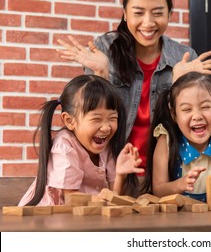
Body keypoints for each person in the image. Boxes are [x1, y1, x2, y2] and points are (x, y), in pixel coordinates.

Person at [56, 0, 211, 192]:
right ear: (125, 14)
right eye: (138, 13)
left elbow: (187, 124)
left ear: (169, 14)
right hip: (115, 174)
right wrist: (101, 72)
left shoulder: (184, 58)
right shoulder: (105, 50)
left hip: (164, 178)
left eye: (157, 13)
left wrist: (179, 82)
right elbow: (96, 116)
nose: (148, 23)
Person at [19, 75, 144, 206]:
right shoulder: (65, 146)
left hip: (81, 218)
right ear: (69, 121)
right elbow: (72, 200)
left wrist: (120, 174)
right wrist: (104, 201)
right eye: (96, 119)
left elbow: (114, 199)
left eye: (112, 118)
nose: (106, 127)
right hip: (45, 220)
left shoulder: (107, 147)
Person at [144, 71, 211, 202]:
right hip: (178, 219)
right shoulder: (166, 140)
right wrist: (180, 184)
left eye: (205, 107)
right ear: (174, 114)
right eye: (187, 109)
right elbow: (158, 190)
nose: (197, 116)